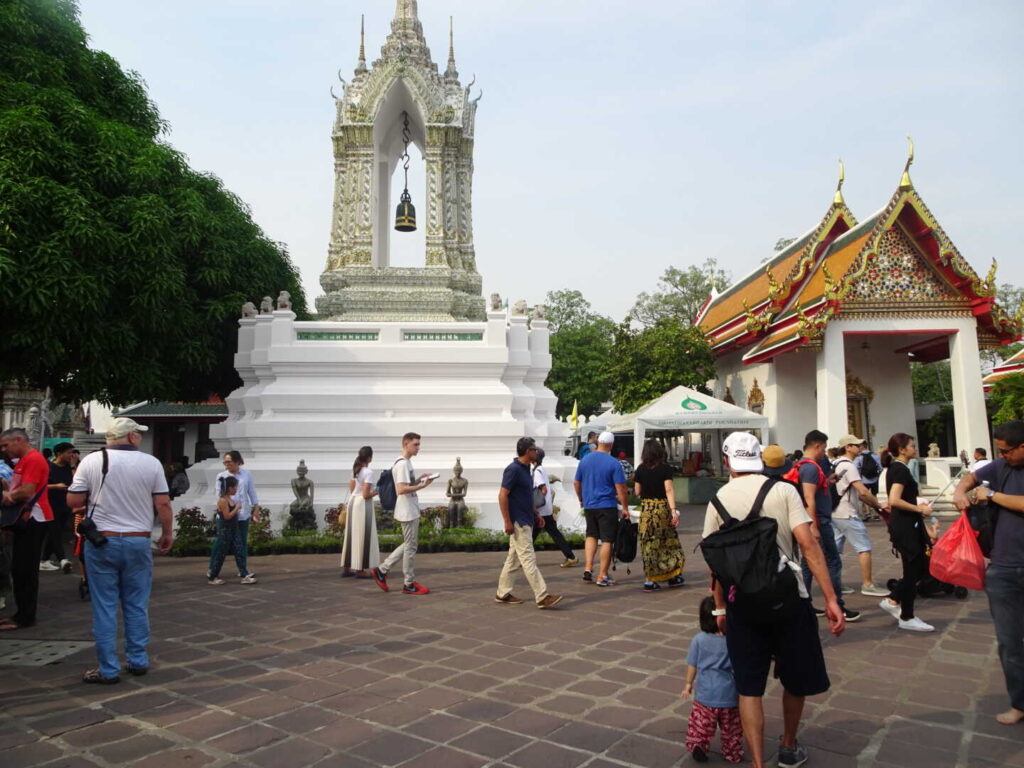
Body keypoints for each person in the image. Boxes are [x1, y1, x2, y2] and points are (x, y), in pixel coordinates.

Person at [702, 432, 844, 768]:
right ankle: (789, 746)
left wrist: (720, 606)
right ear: (760, 459)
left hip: (743, 603)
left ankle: (757, 764)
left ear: (728, 462)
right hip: (789, 597)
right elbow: (809, 546)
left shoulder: (718, 499)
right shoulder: (783, 490)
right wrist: (832, 598)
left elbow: (715, 564)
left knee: (749, 687)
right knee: (795, 678)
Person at [65, 418, 173, 682]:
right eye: (138, 434)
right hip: (137, 540)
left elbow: (73, 500)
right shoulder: (152, 463)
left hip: (103, 541)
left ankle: (108, 669)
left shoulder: (91, 461)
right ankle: (137, 659)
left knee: (104, 606)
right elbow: (163, 504)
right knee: (136, 603)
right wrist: (168, 533)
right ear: (132, 437)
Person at [952, 420, 1024, 725]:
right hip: (1004, 568)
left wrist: (991, 496)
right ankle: (1020, 702)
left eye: (1007, 451)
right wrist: (960, 490)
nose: (1003, 455)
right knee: (1009, 642)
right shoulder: (1000, 467)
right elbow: (971, 478)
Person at [797, 430, 860, 622]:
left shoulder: (807, 467)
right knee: (832, 561)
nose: (825, 452)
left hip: (817, 520)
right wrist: (813, 526)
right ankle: (836, 604)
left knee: (808, 564)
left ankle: (804, 603)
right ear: (816, 446)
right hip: (819, 521)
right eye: (823, 448)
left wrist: (829, 480)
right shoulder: (809, 468)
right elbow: (809, 498)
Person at [495, 437, 563, 608]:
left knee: (514, 560)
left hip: (527, 517)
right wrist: (507, 521)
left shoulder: (526, 469)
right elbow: (503, 495)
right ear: (527, 451)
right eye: (534, 449)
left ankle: (502, 593)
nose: (536, 451)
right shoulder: (514, 470)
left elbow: (525, 497)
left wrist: (536, 513)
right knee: (528, 559)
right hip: (519, 521)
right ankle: (542, 595)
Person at [878, 433, 935, 632]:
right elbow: (894, 499)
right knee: (913, 569)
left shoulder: (898, 468)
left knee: (917, 568)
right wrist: (920, 509)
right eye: (912, 445)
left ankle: (895, 601)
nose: (915, 448)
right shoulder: (900, 470)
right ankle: (906, 614)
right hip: (905, 526)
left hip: (908, 525)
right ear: (902, 450)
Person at [0, 428, 53, 630]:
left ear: (19, 440)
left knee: (26, 570)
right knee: (19, 569)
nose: (5, 450)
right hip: (27, 518)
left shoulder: (33, 459)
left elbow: (27, 491)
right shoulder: (24, 461)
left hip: (34, 518)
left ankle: (25, 617)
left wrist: (8, 496)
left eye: (6, 445)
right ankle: (21, 613)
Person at [683, 596, 743, 764]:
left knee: (701, 726)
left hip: (705, 695)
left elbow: (692, 665)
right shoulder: (732, 641)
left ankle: (698, 746)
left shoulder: (699, 640)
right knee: (732, 729)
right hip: (729, 695)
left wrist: (688, 685)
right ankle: (733, 752)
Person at [372, 433, 432, 595]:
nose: (418, 447)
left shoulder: (406, 463)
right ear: (406, 444)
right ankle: (408, 583)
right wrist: (422, 486)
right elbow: (401, 489)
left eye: (419, 444)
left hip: (409, 508)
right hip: (407, 510)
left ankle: (382, 570)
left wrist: (419, 479)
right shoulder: (403, 464)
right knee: (410, 547)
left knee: (408, 544)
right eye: (416, 444)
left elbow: (406, 484)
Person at [831, 436, 889, 597]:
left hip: (834, 511)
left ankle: (836, 584)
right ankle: (868, 584)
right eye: (857, 445)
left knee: (835, 551)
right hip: (847, 511)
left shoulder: (834, 463)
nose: (861, 447)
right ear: (848, 447)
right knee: (864, 548)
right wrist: (878, 505)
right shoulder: (849, 466)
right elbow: (862, 492)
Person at [574, 431, 629, 587]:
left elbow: (576, 483)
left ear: (598, 442)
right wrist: (625, 507)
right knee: (607, 539)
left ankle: (588, 568)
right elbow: (621, 488)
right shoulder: (613, 463)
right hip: (606, 505)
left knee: (591, 535)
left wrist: (581, 499)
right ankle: (602, 575)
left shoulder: (584, 460)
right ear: (611, 445)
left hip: (589, 504)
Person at [633, 439, 685, 592]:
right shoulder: (665, 468)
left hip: (647, 510)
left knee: (648, 544)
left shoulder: (640, 469)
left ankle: (650, 579)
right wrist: (673, 510)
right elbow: (668, 490)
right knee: (668, 543)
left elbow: (637, 492)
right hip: (662, 509)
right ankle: (672, 575)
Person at [215, 451, 259, 584]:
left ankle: (243, 570)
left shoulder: (246, 474)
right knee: (221, 544)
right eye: (225, 462)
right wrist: (230, 508)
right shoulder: (221, 476)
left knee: (241, 544)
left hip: (242, 514)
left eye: (229, 462)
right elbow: (219, 495)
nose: (227, 465)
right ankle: (213, 571)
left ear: (238, 461)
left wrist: (256, 508)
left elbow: (251, 491)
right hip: (227, 514)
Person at [531, 448, 577, 567]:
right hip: (545, 509)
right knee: (547, 534)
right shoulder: (541, 469)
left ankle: (521, 559)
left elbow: (544, 490)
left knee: (531, 536)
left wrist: (537, 504)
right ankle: (571, 556)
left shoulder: (537, 471)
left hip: (541, 510)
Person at [340, 446, 379, 578]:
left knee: (351, 535)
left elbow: (352, 490)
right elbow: (366, 495)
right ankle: (360, 569)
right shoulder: (368, 472)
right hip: (362, 505)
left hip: (353, 502)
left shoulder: (355, 470)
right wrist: (377, 491)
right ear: (370, 458)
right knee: (363, 536)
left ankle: (347, 568)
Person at [42, 441, 76, 573]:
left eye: (72, 453)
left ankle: (44, 560)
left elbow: (76, 482)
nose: (71, 455)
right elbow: (40, 486)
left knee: (55, 533)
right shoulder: (49, 467)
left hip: (64, 505)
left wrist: (73, 467)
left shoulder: (69, 468)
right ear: (59, 453)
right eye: (68, 453)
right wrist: (55, 486)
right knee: (55, 533)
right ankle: (63, 559)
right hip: (51, 505)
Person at [207, 475, 243, 585]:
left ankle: (244, 573)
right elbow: (227, 516)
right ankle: (213, 576)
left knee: (239, 549)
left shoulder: (230, 499)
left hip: (233, 528)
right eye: (234, 487)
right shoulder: (223, 500)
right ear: (229, 488)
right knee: (221, 553)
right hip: (225, 529)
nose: (236, 489)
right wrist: (236, 508)